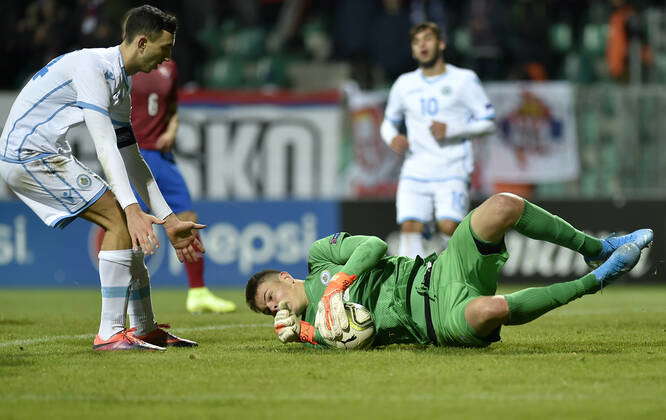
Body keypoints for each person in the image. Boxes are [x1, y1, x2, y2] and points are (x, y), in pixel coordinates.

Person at [0, 5, 202, 351]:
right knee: (121, 220)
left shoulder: (120, 82)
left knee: (126, 221)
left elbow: (130, 154)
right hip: (28, 155)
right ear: (141, 42)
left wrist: (168, 220)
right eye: (164, 49)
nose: (167, 59)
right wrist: (131, 207)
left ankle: (144, 328)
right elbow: (105, 145)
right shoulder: (93, 68)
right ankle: (110, 333)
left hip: (45, 153)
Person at [245, 193, 653, 349]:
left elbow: (374, 245)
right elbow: (354, 340)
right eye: (270, 312)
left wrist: (337, 284)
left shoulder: (321, 258)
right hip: (434, 319)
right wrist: (304, 333)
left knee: (502, 205)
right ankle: (596, 280)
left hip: (438, 269)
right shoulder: (311, 328)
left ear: (283, 277)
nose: (276, 308)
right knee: (488, 312)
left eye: (270, 299)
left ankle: (597, 249)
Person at [126, 58, 236, 314]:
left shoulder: (170, 67)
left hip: (162, 157)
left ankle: (198, 291)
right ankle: (121, 299)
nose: (168, 48)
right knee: (131, 227)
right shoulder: (124, 65)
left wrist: (172, 128)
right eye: (164, 41)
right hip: (133, 153)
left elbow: (172, 105)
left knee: (187, 219)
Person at [381, 22, 496, 258]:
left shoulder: (463, 79)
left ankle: (466, 273)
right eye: (416, 41)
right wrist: (393, 137)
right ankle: (407, 289)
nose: (422, 45)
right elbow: (388, 122)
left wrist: (452, 129)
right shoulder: (404, 84)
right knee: (409, 226)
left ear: (441, 43)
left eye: (427, 39)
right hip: (416, 168)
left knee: (449, 227)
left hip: (452, 166)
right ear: (413, 50)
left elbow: (489, 121)